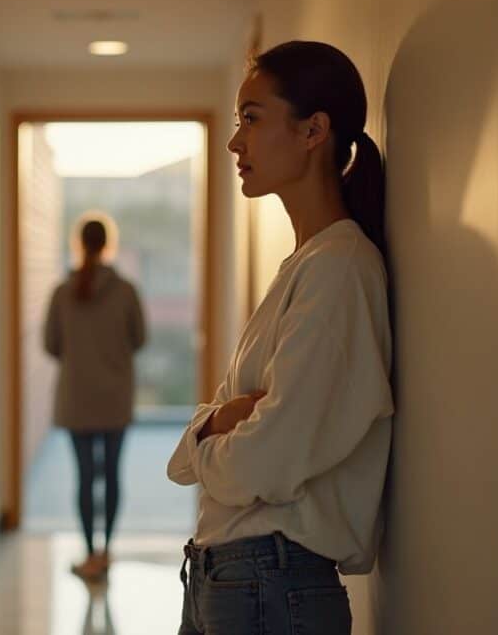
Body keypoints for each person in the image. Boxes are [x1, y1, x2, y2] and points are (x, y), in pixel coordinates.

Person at [167, 40, 394, 634]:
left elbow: (264, 461)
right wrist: (220, 421)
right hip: (232, 576)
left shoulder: (340, 270)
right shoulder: (305, 266)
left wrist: (213, 431)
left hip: (270, 579)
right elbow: (186, 457)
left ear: (313, 129)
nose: (235, 142)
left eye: (251, 118)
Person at [44, 217, 147, 581]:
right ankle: (106, 551)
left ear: (78, 244)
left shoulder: (62, 292)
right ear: (108, 245)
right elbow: (139, 338)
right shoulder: (125, 291)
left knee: (86, 477)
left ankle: (89, 554)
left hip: (76, 398)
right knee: (113, 475)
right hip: (115, 398)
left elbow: (50, 344)